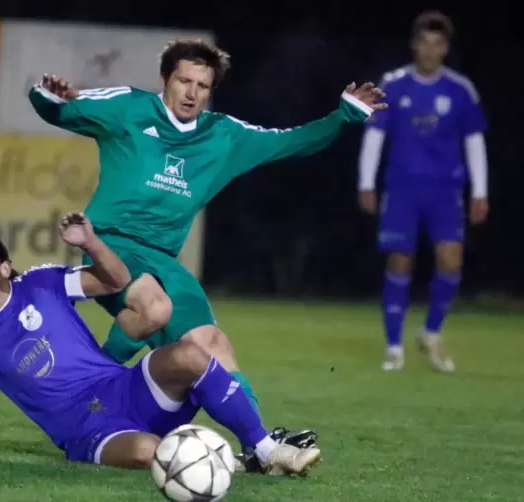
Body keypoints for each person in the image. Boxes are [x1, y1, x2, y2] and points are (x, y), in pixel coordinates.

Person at [27, 38, 385, 469]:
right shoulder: (128, 107)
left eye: (203, 85)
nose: (192, 92)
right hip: (111, 245)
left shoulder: (224, 135)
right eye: (184, 81)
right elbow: (62, 109)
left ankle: (260, 448)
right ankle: (93, 396)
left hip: (162, 258)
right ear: (166, 80)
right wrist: (46, 94)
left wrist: (343, 115)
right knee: (154, 309)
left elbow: (292, 143)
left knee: (212, 344)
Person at [0, 212, 321, 477]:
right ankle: (229, 465)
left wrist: (91, 243)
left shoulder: (44, 283)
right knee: (149, 453)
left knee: (193, 354)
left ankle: (263, 449)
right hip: (85, 430)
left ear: (6, 267)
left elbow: (114, 278)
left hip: (121, 388)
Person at [357, 11, 488, 372]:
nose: (430, 50)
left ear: (445, 49)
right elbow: (375, 135)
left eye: (437, 44)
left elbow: (474, 141)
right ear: (414, 45)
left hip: (446, 191)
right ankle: (394, 345)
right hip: (402, 190)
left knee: (451, 261)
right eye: (424, 42)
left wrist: (481, 191)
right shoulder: (394, 84)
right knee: (400, 260)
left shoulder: (460, 90)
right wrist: (366, 183)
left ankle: (431, 334)